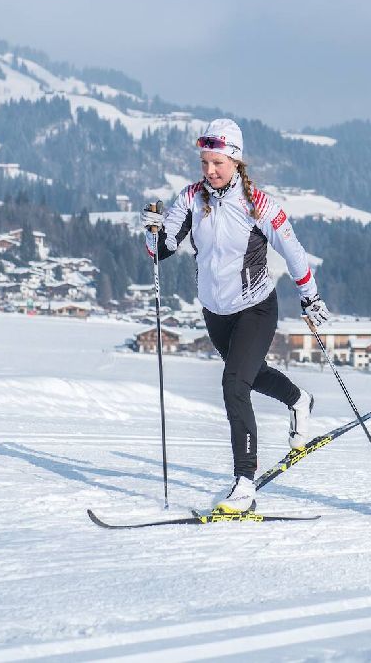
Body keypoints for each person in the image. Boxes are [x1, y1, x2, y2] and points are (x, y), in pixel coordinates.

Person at [143, 118, 331, 514]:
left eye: (218, 163)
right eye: (205, 163)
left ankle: (244, 484)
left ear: (236, 162)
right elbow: (163, 249)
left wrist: (310, 296)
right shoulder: (191, 198)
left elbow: (294, 253)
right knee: (250, 373)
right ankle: (299, 400)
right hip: (216, 312)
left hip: (255, 308)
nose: (210, 171)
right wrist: (153, 232)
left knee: (234, 384)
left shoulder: (258, 205)